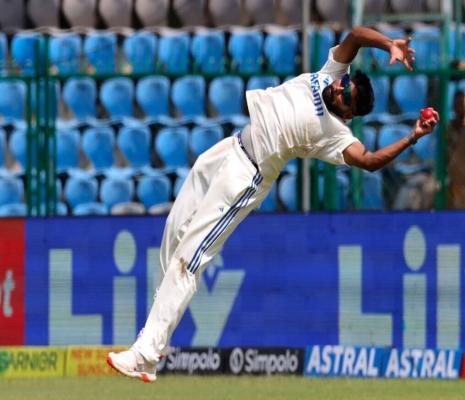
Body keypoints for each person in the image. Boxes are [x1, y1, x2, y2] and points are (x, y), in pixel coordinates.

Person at [107, 26, 440, 382]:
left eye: (347, 96)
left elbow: (370, 160)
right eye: (346, 84)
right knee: (174, 233)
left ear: (349, 114)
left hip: (246, 176)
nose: (341, 88)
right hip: (230, 147)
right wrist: (389, 43)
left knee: (190, 259)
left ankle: (146, 351)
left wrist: (413, 136)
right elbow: (356, 36)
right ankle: (154, 348)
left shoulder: (336, 135)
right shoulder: (330, 74)